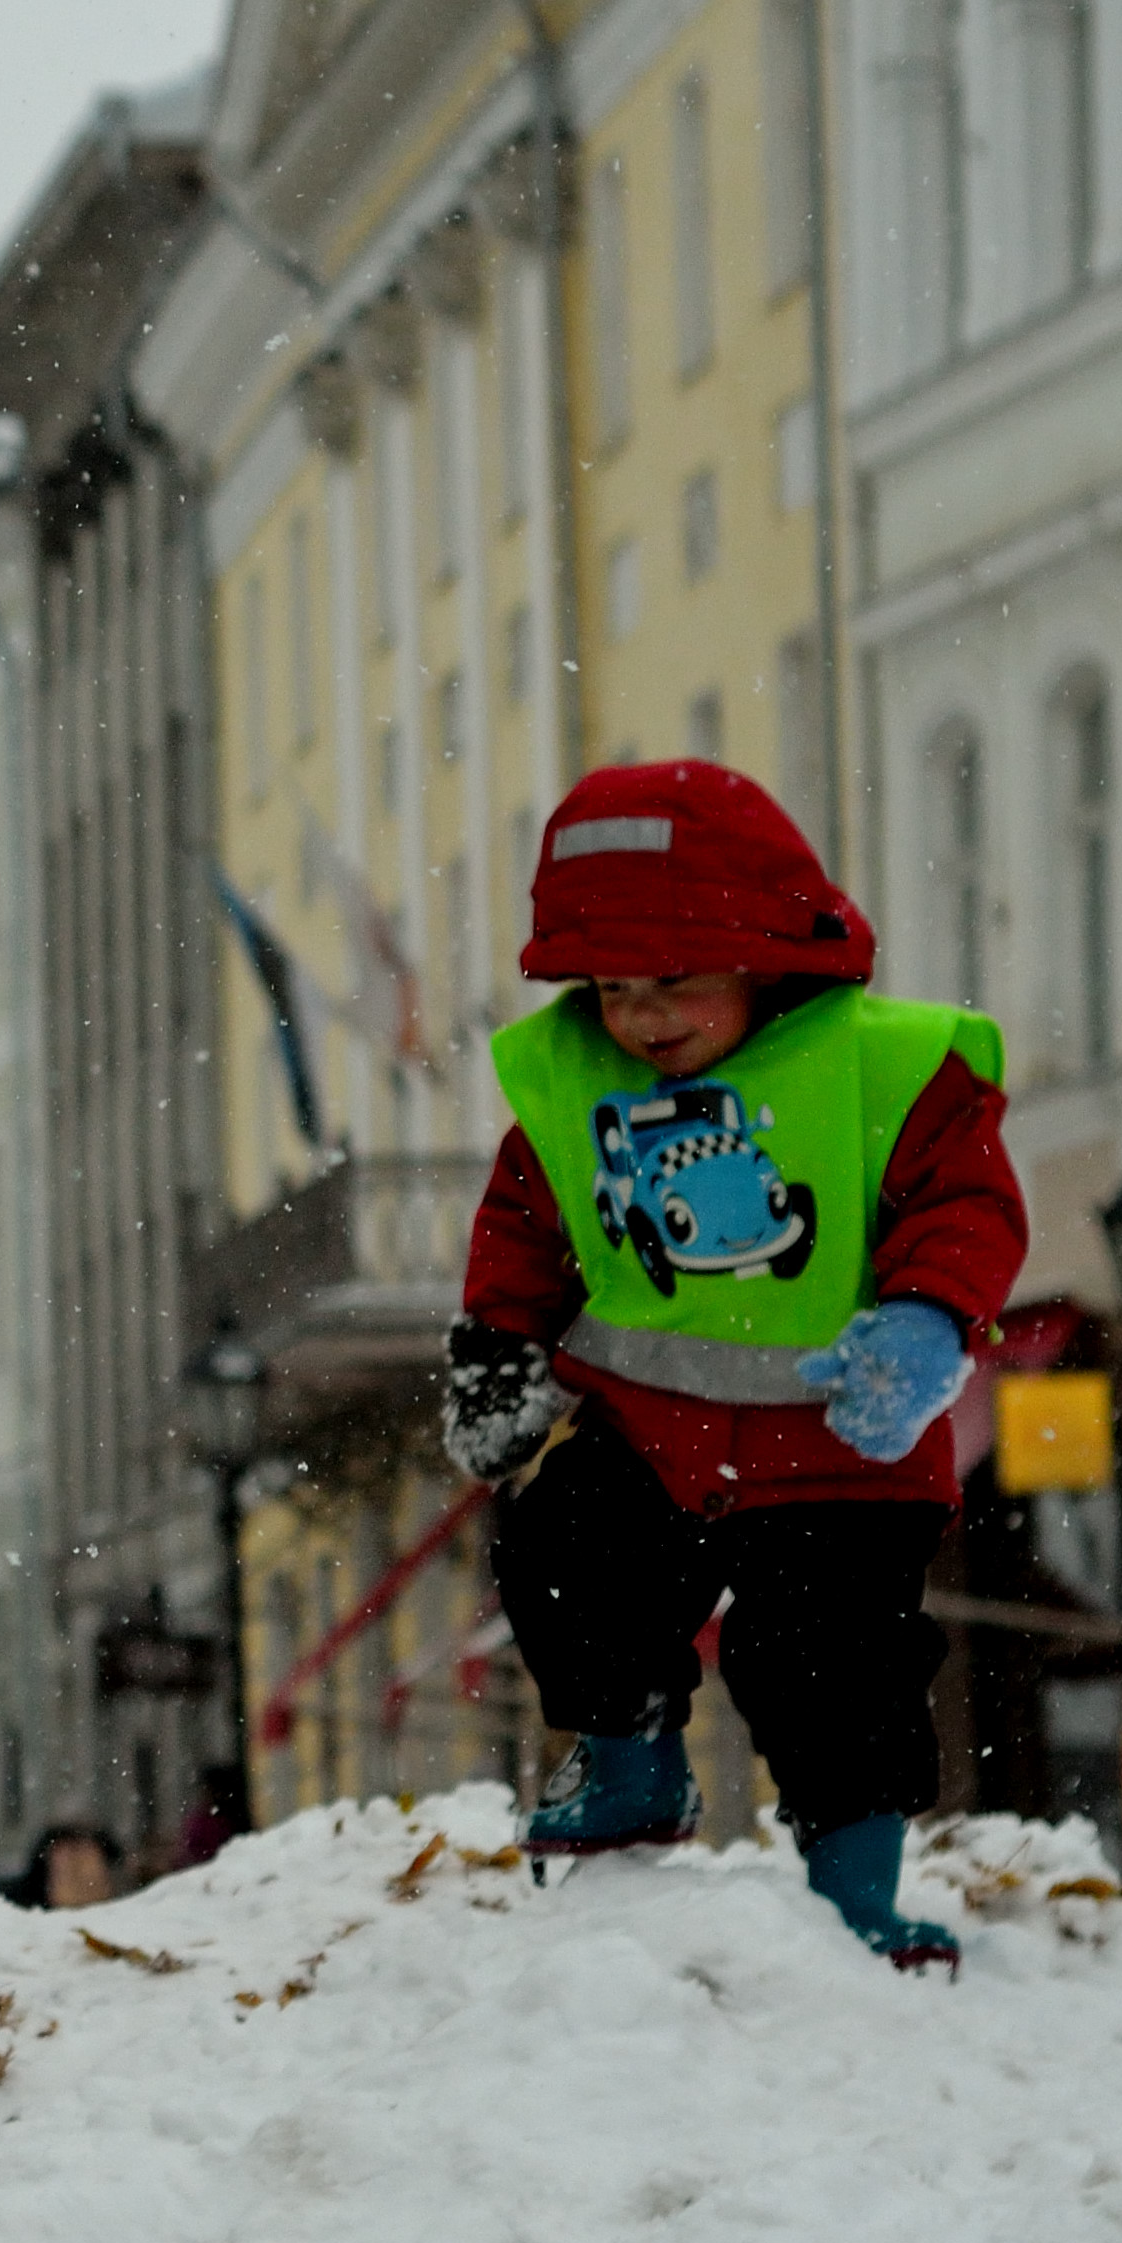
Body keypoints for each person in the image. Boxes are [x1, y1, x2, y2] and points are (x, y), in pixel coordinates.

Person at [441, 763, 1023, 1974]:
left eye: (676, 981)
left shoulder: (888, 1065)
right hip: (648, 1432)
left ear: (763, 954)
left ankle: (855, 1888)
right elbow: (523, 1220)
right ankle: (631, 1757)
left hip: (840, 1445)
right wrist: (499, 1345)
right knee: (560, 1553)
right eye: (610, 987)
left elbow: (959, 1200)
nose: (642, 1017)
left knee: (835, 1670)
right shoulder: (573, 1088)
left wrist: (926, 1316)